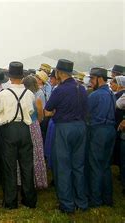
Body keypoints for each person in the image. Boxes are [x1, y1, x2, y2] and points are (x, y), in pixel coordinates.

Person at [44, 59, 88, 214]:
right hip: (81, 127)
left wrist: (57, 112)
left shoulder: (59, 90)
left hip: (64, 128)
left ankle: (67, 205)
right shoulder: (81, 88)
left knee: (63, 167)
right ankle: (81, 202)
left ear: (59, 72)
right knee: (78, 166)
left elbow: (47, 110)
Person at [0, 62, 36, 209]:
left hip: (9, 130)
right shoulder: (29, 94)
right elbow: (31, 112)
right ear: (22, 76)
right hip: (25, 129)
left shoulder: (3, 94)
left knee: (9, 166)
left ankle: (10, 201)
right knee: (26, 166)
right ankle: (29, 199)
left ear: (10, 77)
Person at [86, 67, 116, 207]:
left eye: (92, 78)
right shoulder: (110, 94)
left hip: (98, 131)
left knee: (95, 165)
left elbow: (86, 114)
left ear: (100, 79)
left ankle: (96, 200)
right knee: (105, 165)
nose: (90, 81)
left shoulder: (95, 95)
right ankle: (108, 198)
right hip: (110, 130)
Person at [22, 75, 48, 189]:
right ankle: (38, 180)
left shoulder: (23, 96)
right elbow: (41, 115)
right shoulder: (38, 96)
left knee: (24, 153)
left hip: (24, 125)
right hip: (34, 125)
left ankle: (23, 179)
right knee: (36, 152)